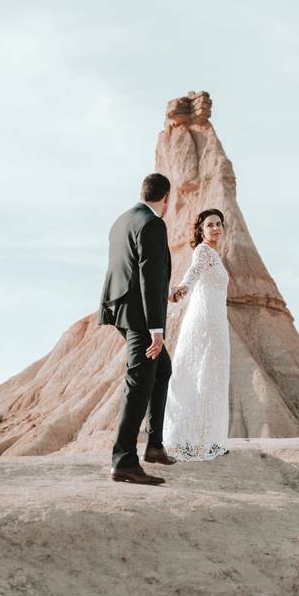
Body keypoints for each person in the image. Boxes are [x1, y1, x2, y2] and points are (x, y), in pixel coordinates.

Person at [98, 173, 178, 485]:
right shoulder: (153, 223)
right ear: (166, 197)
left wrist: (167, 292)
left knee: (162, 369)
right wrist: (156, 329)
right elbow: (148, 274)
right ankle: (124, 461)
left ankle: (154, 446)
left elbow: (127, 267)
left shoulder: (121, 221)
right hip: (140, 316)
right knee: (139, 380)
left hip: (117, 306)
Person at [164, 208, 231, 461]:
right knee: (201, 374)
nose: (215, 228)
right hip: (205, 322)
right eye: (210, 224)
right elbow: (192, 274)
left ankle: (208, 440)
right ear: (201, 230)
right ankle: (190, 440)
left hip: (216, 321)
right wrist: (182, 288)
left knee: (211, 375)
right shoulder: (203, 251)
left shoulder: (215, 254)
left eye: (218, 224)